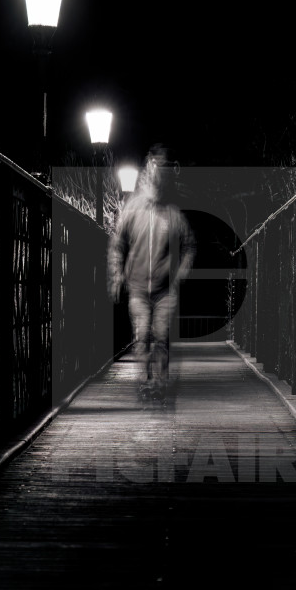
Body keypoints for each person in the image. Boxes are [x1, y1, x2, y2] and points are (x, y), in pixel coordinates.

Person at [108, 145, 196, 400]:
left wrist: (179, 275)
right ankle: (148, 381)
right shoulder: (133, 207)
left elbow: (189, 245)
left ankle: (159, 382)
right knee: (143, 334)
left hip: (165, 288)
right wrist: (116, 275)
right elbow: (118, 243)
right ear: (149, 170)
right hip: (137, 288)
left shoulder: (173, 212)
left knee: (161, 335)